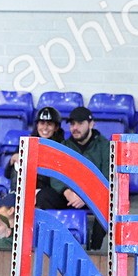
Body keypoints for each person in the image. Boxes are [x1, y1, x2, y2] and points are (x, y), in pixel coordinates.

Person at [49, 105, 110, 249]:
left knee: (107, 204)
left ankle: (95, 250)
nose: (75, 128)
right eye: (72, 124)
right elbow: (56, 174)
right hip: (70, 196)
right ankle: (52, 244)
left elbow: (107, 176)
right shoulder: (65, 145)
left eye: (80, 123)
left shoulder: (104, 146)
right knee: (44, 197)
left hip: (94, 195)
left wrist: (85, 196)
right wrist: (66, 191)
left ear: (91, 124)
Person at [5, 106, 68, 211]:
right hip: (27, 191)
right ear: (37, 125)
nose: (45, 128)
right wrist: (12, 160)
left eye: (49, 124)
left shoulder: (62, 147)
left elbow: (57, 180)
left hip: (51, 194)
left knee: (42, 196)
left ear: (56, 127)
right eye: (42, 123)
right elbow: (7, 174)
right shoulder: (26, 143)